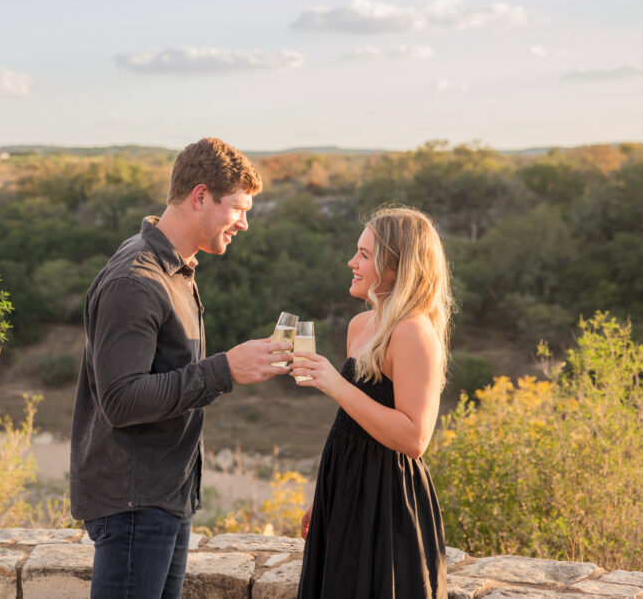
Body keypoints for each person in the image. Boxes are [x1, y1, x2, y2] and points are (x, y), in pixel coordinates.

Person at [70, 137, 293, 599]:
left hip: (164, 496)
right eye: (237, 208)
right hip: (135, 503)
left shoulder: (176, 270)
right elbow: (122, 400)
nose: (244, 223)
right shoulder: (135, 280)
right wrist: (224, 370)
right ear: (200, 196)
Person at [290, 206, 452, 599]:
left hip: (387, 500)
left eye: (364, 254)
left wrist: (335, 384)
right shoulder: (360, 326)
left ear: (395, 267)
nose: (352, 262)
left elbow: (415, 438)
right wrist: (325, 494)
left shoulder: (414, 332)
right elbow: (351, 421)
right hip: (346, 488)